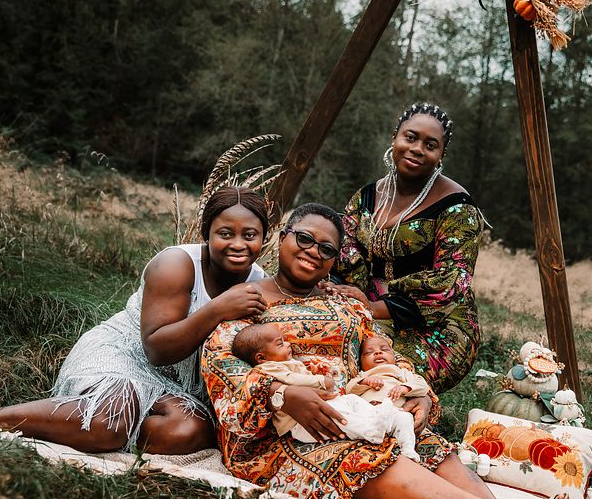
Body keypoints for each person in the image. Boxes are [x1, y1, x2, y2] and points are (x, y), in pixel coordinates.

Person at [202, 202, 494, 499]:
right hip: (292, 434)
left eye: (327, 249)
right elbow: (221, 363)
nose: (314, 251)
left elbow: (384, 351)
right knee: (385, 468)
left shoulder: (348, 306)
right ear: (282, 238)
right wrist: (280, 394)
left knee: (440, 456)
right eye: (304, 239)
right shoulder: (248, 300)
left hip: (367, 412)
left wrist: (419, 393)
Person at [0, 187, 270, 454]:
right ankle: (6, 419)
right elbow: (156, 349)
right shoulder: (177, 263)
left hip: (177, 384)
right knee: (110, 422)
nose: (238, 244)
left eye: (250, 235)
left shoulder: (260, 282)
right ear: (206, 233)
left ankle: (106, 432)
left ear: (263, 238)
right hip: (125, 354)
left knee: (185, 432)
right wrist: (217, 309)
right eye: (225, 233)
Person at [328, 102, 484, 393]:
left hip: (436, 326)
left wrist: (373, 307)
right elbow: (341, 246)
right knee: (324, 349)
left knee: (383, 380)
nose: (416, 149)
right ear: (395, 138)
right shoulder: (368, 196)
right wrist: (342, 294)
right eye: (410, 138)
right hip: (364, 308)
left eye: (430, 144)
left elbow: (450, 285)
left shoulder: (458, 209)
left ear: (441, 155)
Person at [232, 324, 421, 461]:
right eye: (281, 343)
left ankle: (380, 421)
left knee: (352, 402)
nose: (288, 345)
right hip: (303, 421)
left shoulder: (283, 362)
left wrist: (325, 372)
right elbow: (295, 380)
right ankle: (371, 430)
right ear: (261, 357)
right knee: (341, 416)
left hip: (329, 402)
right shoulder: (270, 368)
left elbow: (389, 351)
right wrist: (321, 381)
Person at [346, 335, 430, 408]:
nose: (378, 352)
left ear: (394, 357)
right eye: (369, 352)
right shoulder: (363, 375)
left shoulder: (402, 372)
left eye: (385, 349)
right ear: (360, 361)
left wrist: (405, 388)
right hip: (369, 411)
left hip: (398, 411)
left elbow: (423, 385)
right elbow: (349, 389)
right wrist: (365, 382)